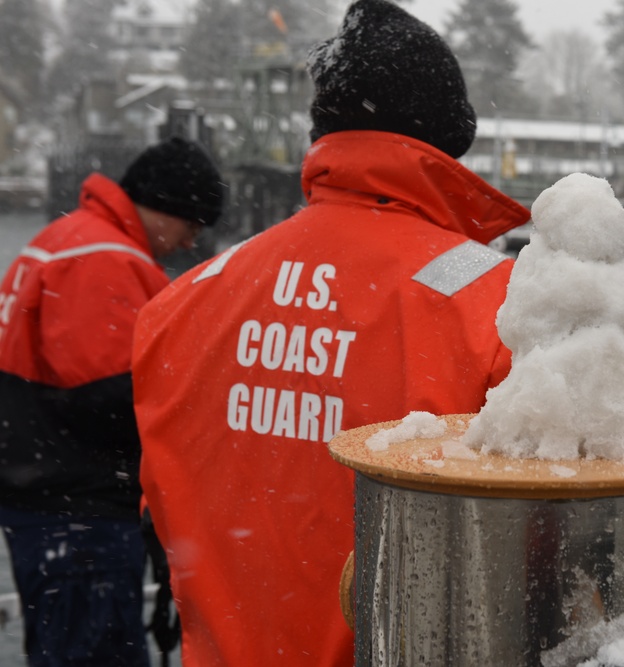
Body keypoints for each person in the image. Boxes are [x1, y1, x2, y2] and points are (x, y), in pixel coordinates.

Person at [130, 1, 531, 664]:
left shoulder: (181, 303)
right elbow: (543, 560)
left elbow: (163, 508)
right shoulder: (501, 301)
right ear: (447, 142)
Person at [0, 136, 225, 666]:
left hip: (39, 499)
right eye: (192, 226)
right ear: (166, 208)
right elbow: (109, 397)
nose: (191, 243)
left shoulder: (62, 238)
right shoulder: (105, 261)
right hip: (81, 514)